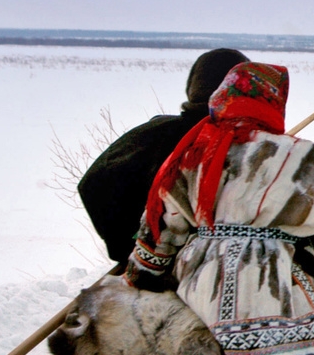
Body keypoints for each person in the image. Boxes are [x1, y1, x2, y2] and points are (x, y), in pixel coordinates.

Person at [125, 62, 314, 354]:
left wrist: (141, 276)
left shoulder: (195, 152)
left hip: (198, 288)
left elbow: (161, 229)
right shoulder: (301, 156)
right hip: (275, 281)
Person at [79, 48, 248, 266]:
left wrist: (127, 247)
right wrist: (127, 245)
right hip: (218, 267)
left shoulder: (157, 131)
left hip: (161, 263)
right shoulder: (248, 144)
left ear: (192, 87)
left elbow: (95, 181)